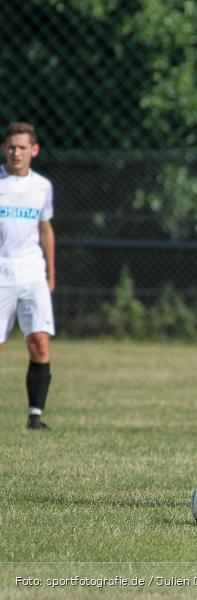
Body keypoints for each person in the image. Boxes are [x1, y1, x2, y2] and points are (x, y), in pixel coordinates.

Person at [0, 122, 55, 431]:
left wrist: (50, 272)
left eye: (22, 147)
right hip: (1, 271)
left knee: (39, 342)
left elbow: (46, 229)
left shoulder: (42, 187)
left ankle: (35, 416)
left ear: (34, 150)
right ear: (4, 148)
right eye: (11, 146)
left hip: (32, 272)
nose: (16, 152)